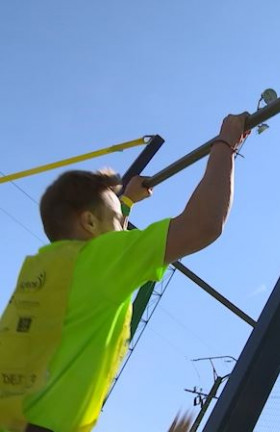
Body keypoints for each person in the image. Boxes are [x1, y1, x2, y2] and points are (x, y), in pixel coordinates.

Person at [0, 113, 250, 432]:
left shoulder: (47, 267)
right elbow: (203, 225)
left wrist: (126, 202)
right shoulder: (100, 259)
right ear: (89, 223)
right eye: (120, 219)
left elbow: (109, 239)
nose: (124, 226)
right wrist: (225, 144)